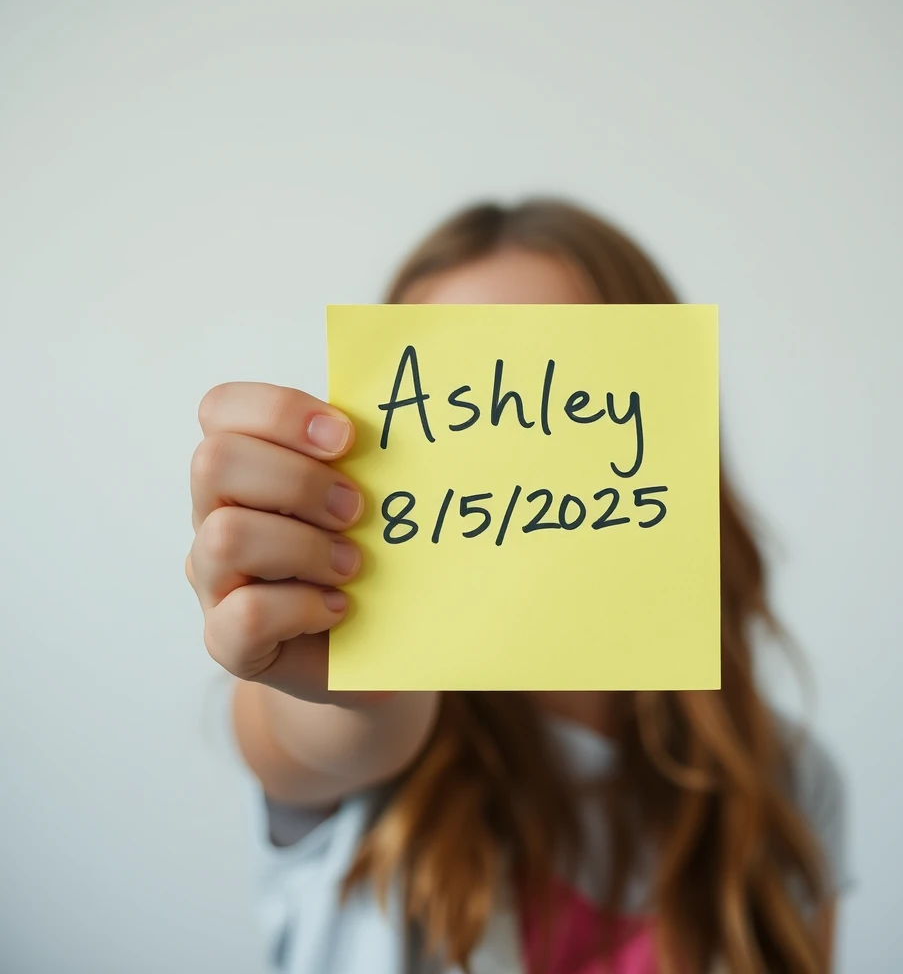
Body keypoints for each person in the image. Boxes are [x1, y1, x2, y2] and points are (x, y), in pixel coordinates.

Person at [186, 199, 850, 973]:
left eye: (566, 395)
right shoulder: (373, 749)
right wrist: (359, 672)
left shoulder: (790, 789)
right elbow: (322, 735)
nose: (515, 465)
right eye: (461, 404)